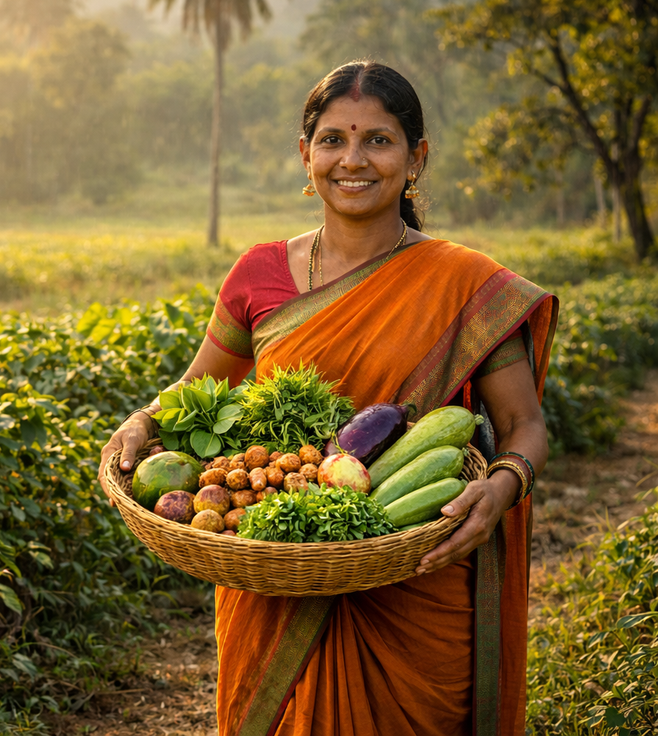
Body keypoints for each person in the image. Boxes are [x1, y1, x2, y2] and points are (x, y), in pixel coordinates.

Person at [97, 61, 557, 736]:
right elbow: (196, 390)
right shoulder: (257, 274)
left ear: (416, 158)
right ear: (305, 154)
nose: (353, 160)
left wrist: (502, 487)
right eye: (334, 139)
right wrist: (144, 420)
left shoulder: (463, 281)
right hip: (277, 565)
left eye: (379, 140)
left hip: (419, 574)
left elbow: (525, 425)